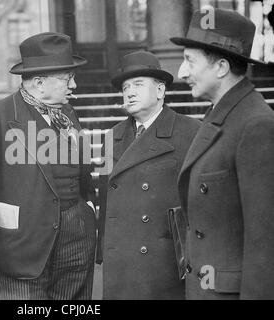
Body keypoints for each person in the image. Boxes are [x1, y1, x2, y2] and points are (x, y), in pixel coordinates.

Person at [0, 32, 97, 300]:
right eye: (67, 78)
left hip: (76, 241)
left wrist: (88, 208)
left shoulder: (68, 113)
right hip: (22, 248)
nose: (74, 85)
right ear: (38, 82)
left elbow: (81, 173)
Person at [171, 8, 274, 299]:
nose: (182, 72)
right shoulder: (224, 115)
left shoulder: (256, 125)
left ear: (221, 67)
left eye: (189, 60)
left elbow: (265, 242)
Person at [97, 51, 200, 299]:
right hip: (121, 266)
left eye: (138, 84)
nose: (130, 92)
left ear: (160, 91)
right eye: (125, 87)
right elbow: (106, 204)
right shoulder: (112, 136)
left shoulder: (191, 132)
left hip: (164, 266)